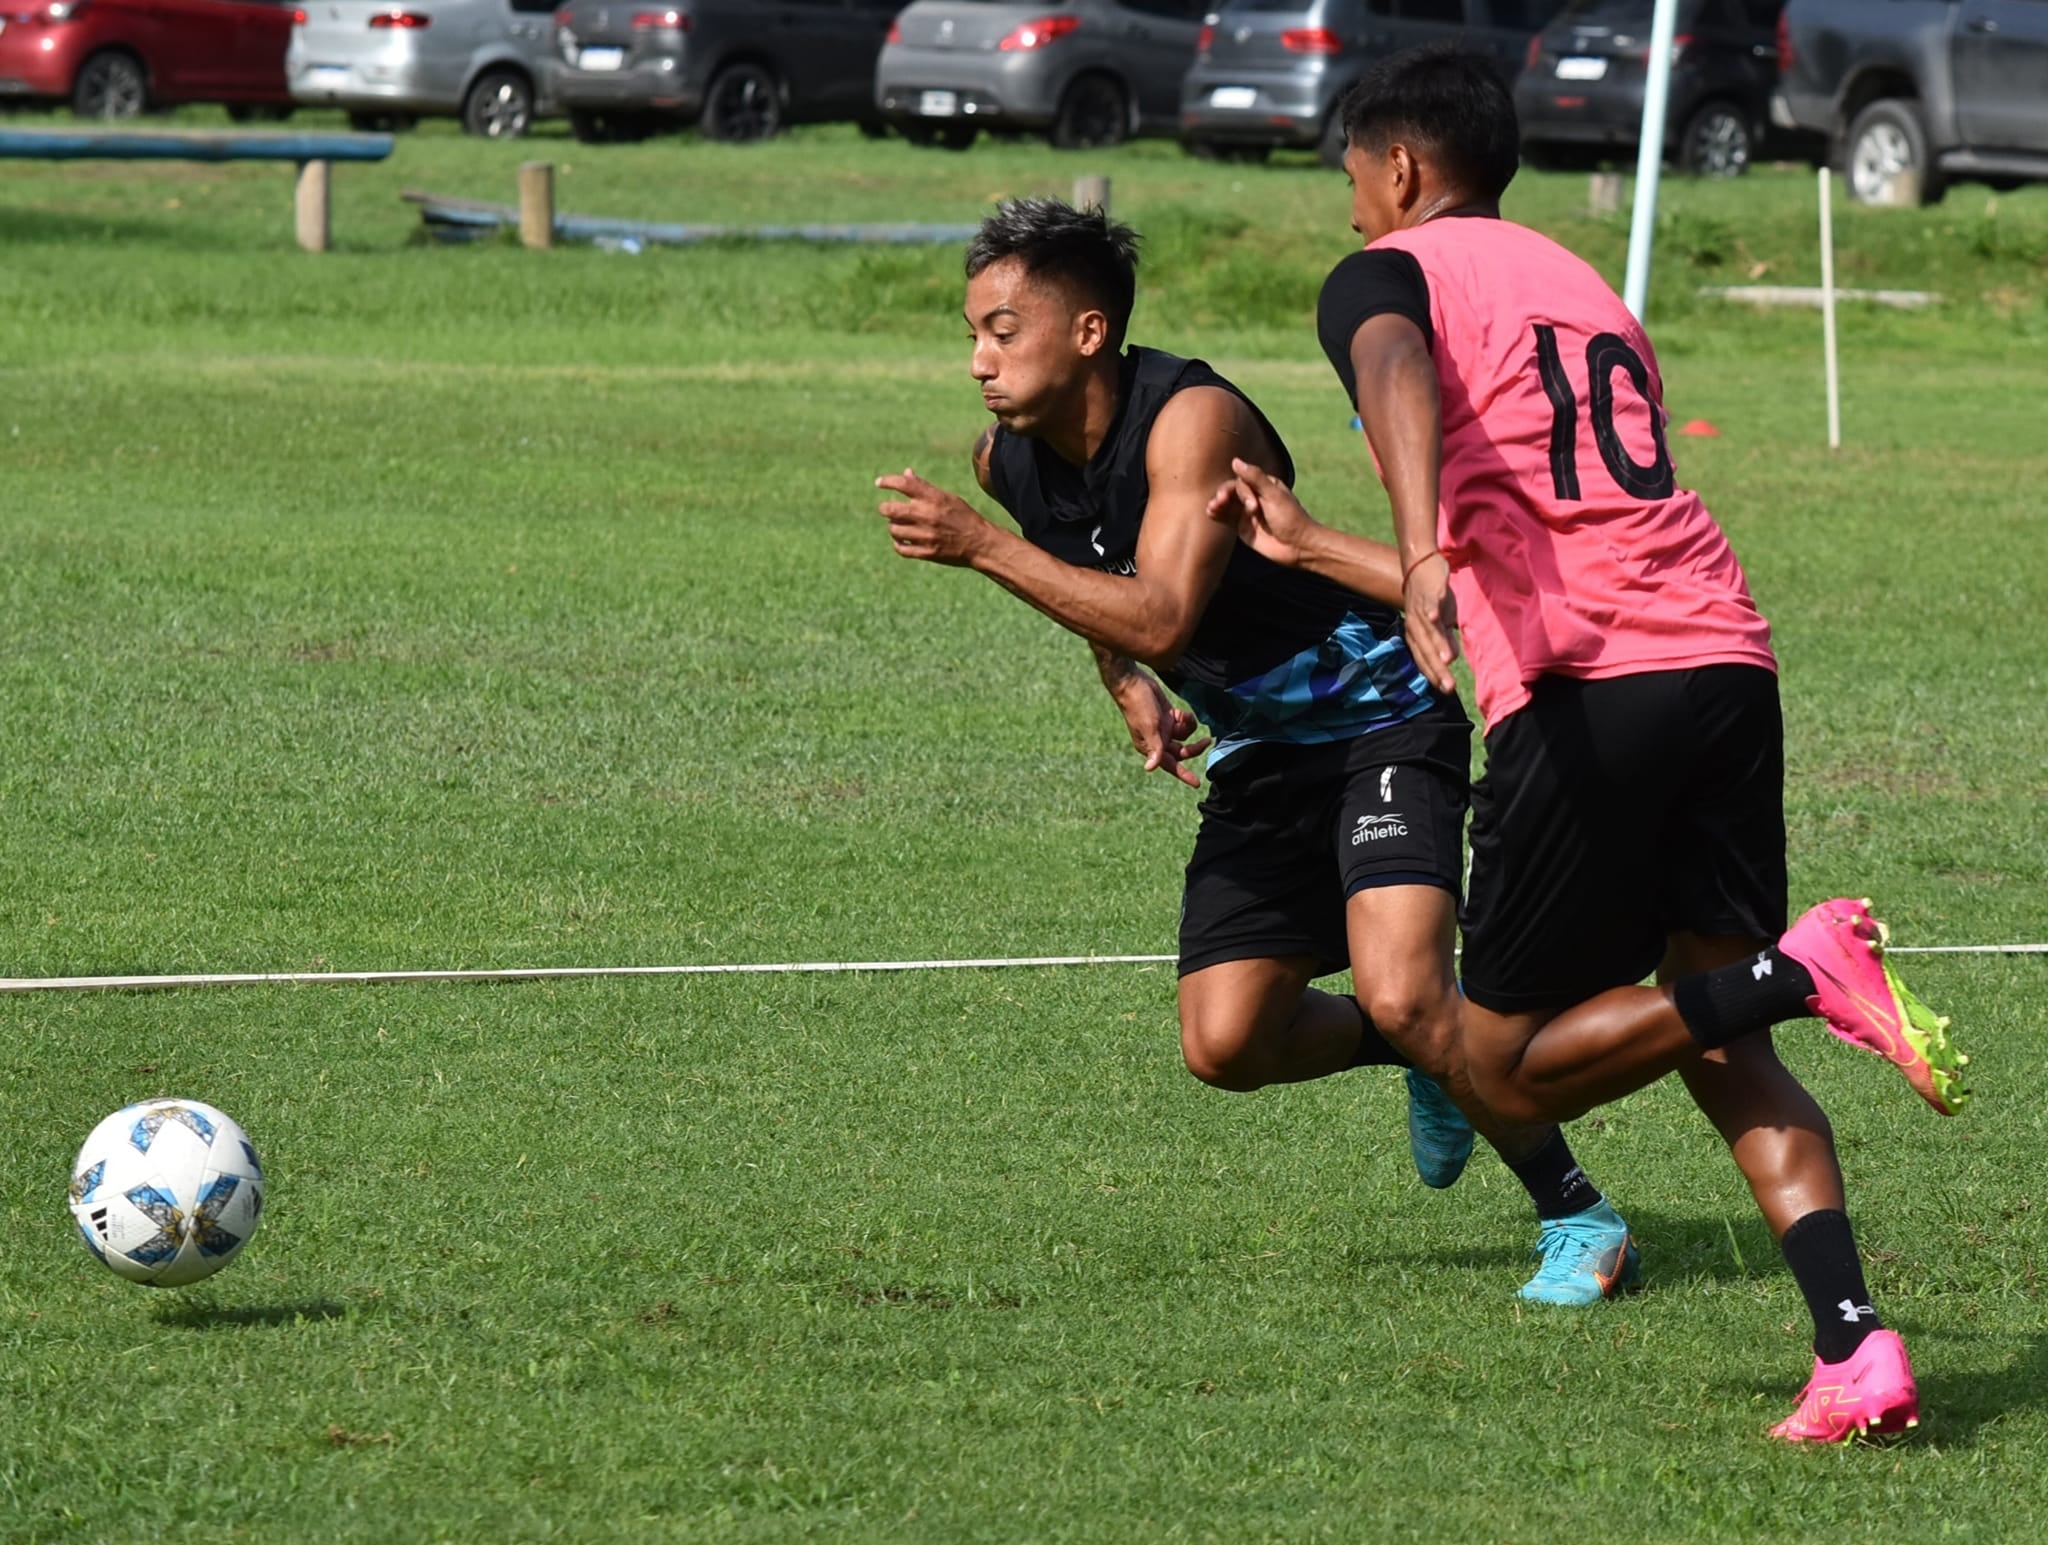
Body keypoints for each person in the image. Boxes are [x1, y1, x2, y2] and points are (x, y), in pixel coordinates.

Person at [1208, 45, 1968, 1442]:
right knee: (1713, 1035)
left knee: (1502, 1066)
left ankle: (1796, 967)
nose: (1352, 219)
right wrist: (1332, 548)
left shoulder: (1393, 280)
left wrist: (1423, 533)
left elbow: (1390, 369)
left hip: (1590, 696)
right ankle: (1855, 1344)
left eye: (1356, 190)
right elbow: (1546, 541)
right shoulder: (1580, 289)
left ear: (1404, 169)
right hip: (1723, 662)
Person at [873, 196, 1641, 1305]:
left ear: (1087, 333)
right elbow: (1100, 587)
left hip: (1380, 718)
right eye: (970, 335)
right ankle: (1424, 1050)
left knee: (1405, 992)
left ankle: (1577, 1213)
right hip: (1261, 753)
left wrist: (985, 555)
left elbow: (1162, 613)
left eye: (1001, 330)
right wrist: (1118, 677)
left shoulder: (1190, 419)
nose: (979, 362)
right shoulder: (1011, 460)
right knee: (1225, 1043)